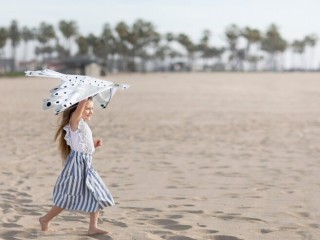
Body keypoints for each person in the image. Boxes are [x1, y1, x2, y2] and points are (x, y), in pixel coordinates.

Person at [39, 97, 115, 235]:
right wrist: (84, 97)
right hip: (76, 167)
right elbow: (78, 111)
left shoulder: (84, 125)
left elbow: (82, 145)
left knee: (95, 193)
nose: (91, 111)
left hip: (86, 165)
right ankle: (45, 219)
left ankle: (93, 227)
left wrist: (94, 144)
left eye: (92, 108)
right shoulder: (75, 122)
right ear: (77, 109)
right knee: (68, 197)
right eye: (87, 108)